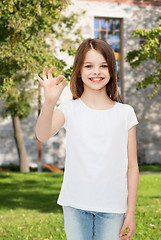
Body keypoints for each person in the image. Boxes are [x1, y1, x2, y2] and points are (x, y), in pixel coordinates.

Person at [35, 38, 139, 240]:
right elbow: (42, 134)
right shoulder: (69, 109)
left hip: (112, 206)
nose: (96, 72)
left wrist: (131, 212)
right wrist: (50, 101)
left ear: (112, 71)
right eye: (89, 66)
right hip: (75, 203)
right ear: (79, 71)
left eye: (103, 66)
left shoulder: (125, 113)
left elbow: (132, 166)